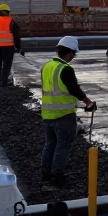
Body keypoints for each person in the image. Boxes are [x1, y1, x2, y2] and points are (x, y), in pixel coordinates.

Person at [40, 35, 96, 187]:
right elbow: (74, 90)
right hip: (63, 115)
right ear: (70, 53)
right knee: (62, 146)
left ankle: (45, 174)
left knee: (50, 144)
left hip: (47, 114)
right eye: (73, 55)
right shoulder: (65, 69)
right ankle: (57, 178)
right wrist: (88, 102)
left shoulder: (47, 66)